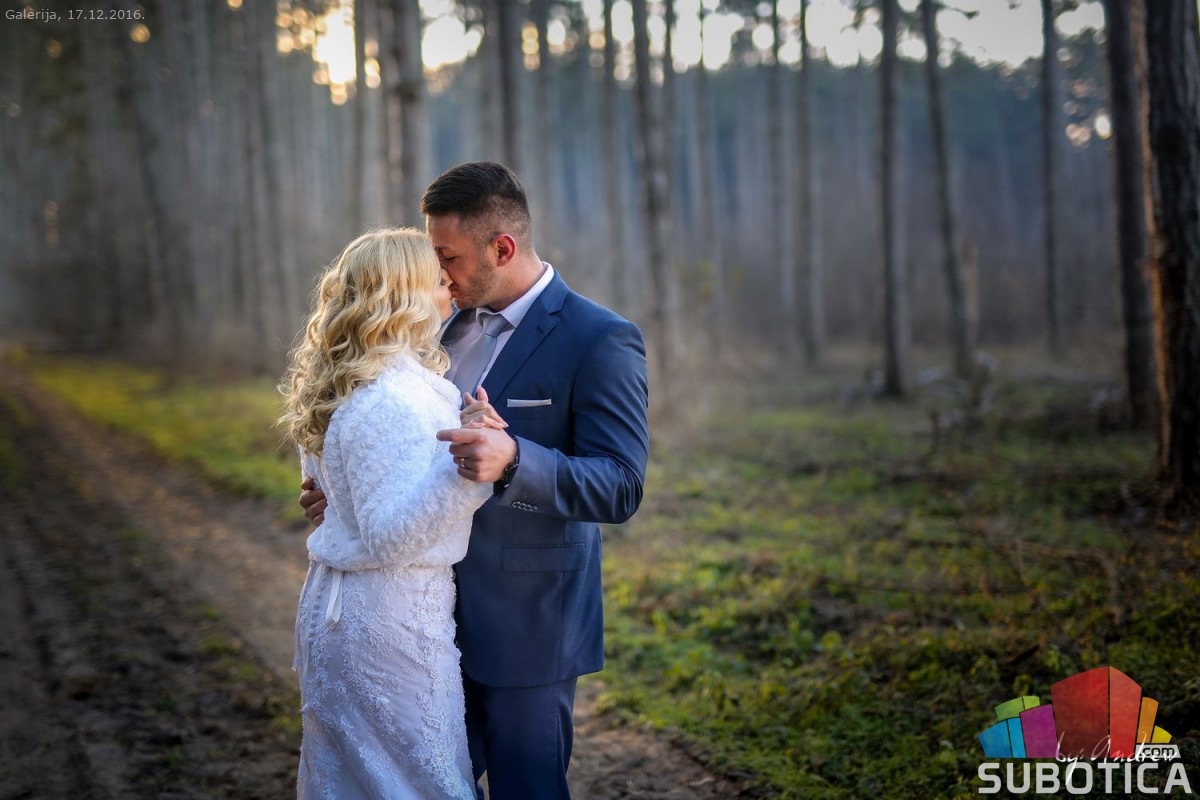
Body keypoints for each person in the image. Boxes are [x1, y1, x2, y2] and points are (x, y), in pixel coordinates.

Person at [300, 162, 650, 798]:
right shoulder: (434, 320)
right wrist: (346, 491)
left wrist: (515, 459)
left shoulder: (599, 339)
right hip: (417, 620)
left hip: (526, 624)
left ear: (503, 248)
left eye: (448, 258)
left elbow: (621, 484)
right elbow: (393, 439)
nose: (437, 274)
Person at [280, 228, 503, 798]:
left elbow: (345, 501)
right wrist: (472, 465)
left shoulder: (357, 385)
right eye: (438, 281)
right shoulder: (391, 399)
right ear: (403, 296)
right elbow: (391, 537)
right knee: (422, 784)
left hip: (347, 607)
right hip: (388, 618)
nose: (450, 289)